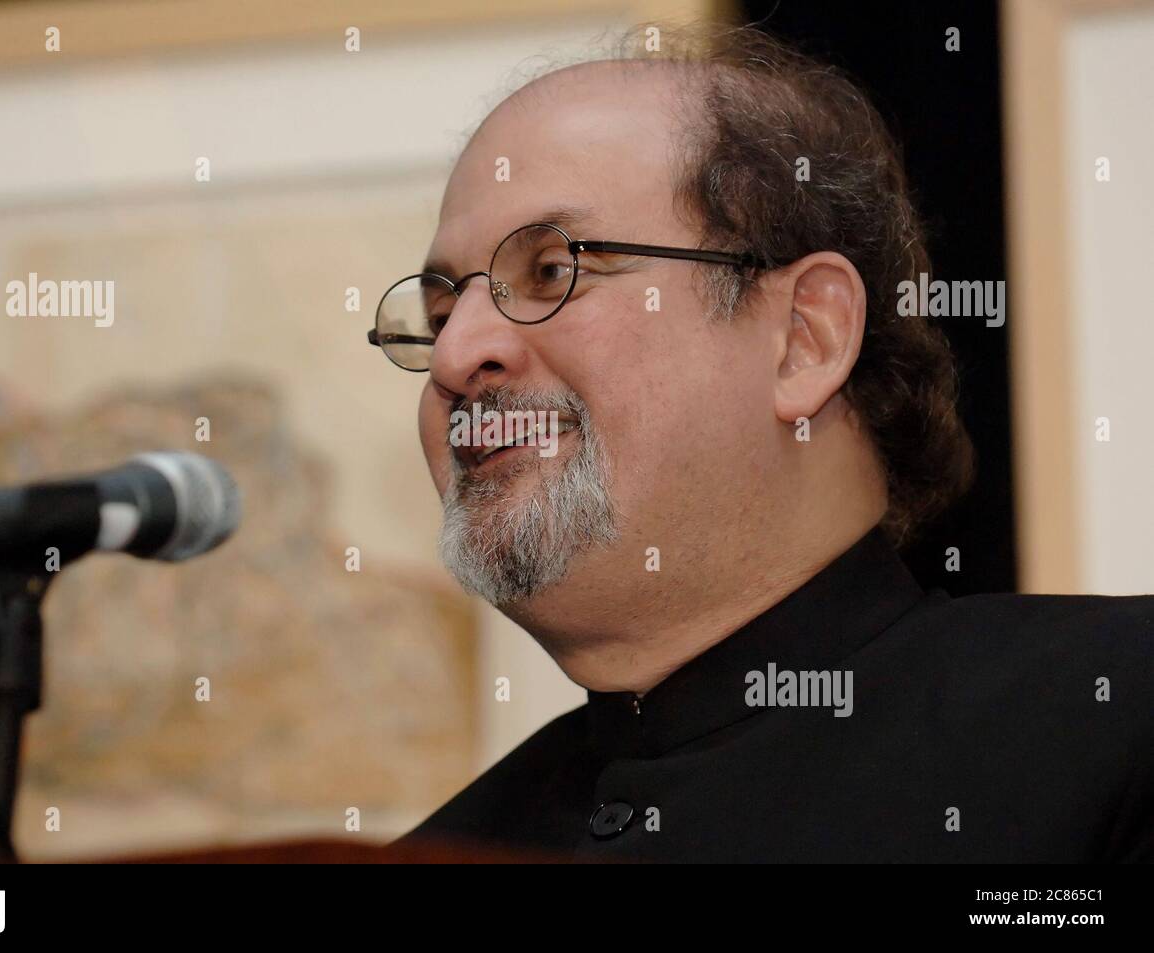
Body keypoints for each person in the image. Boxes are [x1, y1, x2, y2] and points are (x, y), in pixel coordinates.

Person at [366, 23, 1153, 862]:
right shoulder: (447, 848)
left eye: (554, 271)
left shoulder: (1118, 719)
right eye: (442, 314)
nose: (453, 355)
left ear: (803, 339)